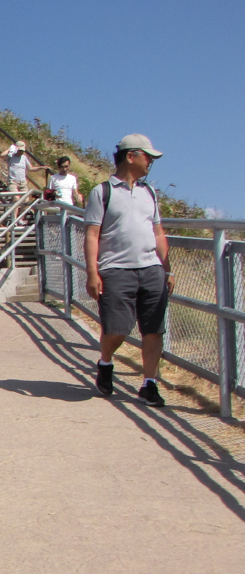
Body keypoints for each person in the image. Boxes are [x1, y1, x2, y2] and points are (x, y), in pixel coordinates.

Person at [84, 134, 171, 407]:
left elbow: (158, 232)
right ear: (131, 156)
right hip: (116, 269)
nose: (151, 162)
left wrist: (166, 269)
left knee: (153, 329)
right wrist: (92, 272)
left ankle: (149, 384)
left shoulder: (150, 192)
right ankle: (105, 362)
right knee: (117, 329)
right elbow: (91, 235)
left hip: (151, 269)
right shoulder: (102, 192)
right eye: (148, 157)